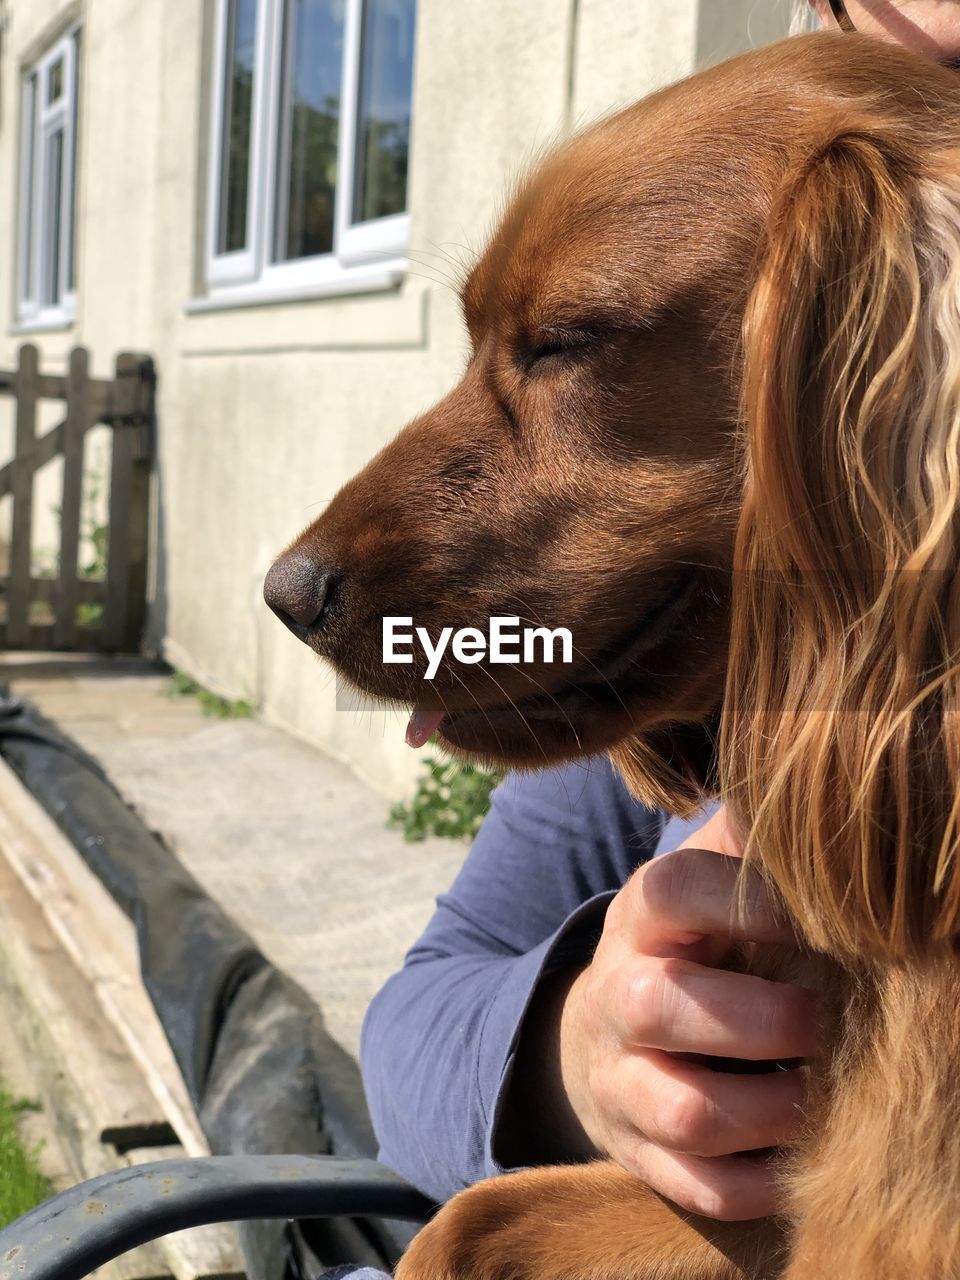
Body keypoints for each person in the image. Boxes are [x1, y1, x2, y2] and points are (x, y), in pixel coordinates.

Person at [326, 4, 960, 1276]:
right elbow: (416, 1016)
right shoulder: (689, 664)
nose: (833, 62)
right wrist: (581, 1050)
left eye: (563, 347)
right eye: (852, 21)